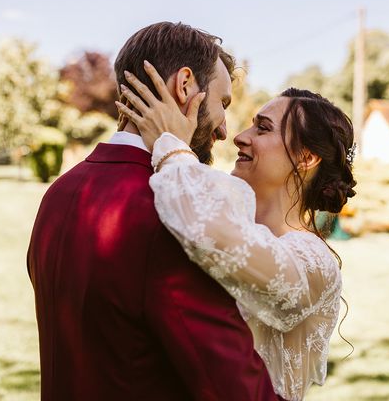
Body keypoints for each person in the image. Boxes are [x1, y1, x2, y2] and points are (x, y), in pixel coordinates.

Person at [27, 22, 285, 400]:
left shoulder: (60, 193)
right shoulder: (174, 214)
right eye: (223, 104)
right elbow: (232, 388)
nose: (225, 131)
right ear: (185, 86)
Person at [116, 64, 357, 400]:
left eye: (263, 129)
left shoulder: (314, 262)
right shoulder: (232, 217)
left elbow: (210, 234)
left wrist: (172, 146)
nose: (241, 135)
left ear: (305, 158)